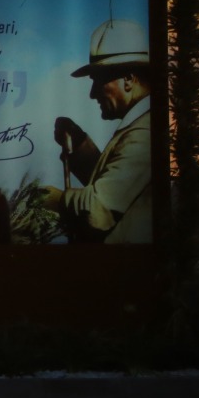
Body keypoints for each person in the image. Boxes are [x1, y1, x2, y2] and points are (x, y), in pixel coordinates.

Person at [38, 18, 153, 243]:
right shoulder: (140, 127)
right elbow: (115, 187)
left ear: (129, 79)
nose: (92, 94)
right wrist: (80, 145)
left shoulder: (143, 134)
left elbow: (99, 209)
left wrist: (58, 200)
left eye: (98, 81)